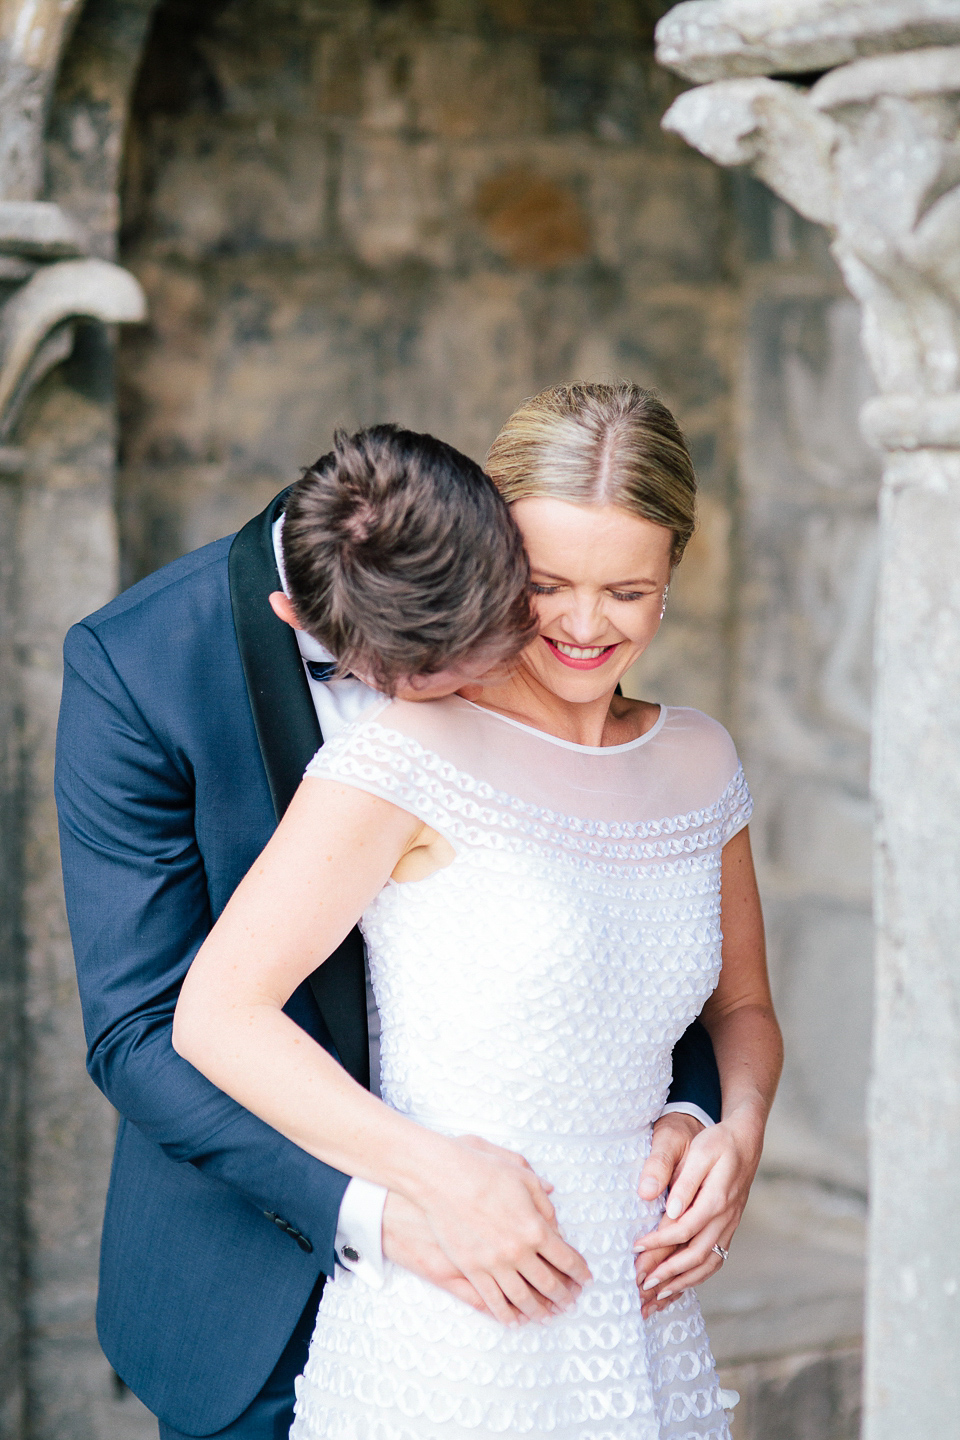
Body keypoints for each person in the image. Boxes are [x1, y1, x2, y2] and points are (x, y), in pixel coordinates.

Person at [55, 421, 728, 1440]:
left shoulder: (464, 535)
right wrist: (393, 1198)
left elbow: (617, 906)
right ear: (299, 618)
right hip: (262, 1264)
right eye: (424, 684)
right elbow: (142, 1030)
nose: (473, 698)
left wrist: (700, 1112)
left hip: (560, 1252)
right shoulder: (135, 668)